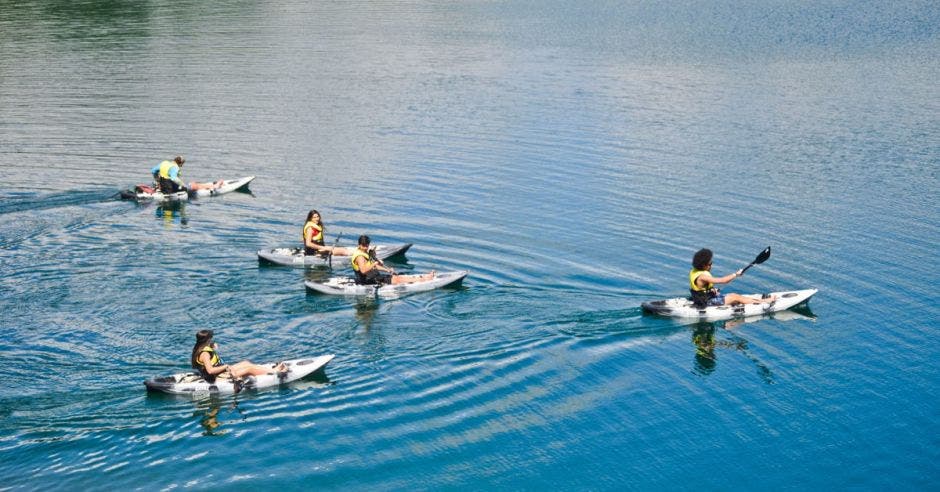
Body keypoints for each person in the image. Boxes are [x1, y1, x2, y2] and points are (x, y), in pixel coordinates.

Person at [190, 329, 287, 383]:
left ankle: (267, 370)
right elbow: (210, 370)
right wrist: (225, 366)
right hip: (218, 376)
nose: (212, 339)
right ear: (207, 339)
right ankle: (274, 371)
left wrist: (212, 345)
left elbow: (209, 352)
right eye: (211, 338)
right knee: (249, 369)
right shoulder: (205, 354)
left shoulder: (200, 347)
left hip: (222, 371)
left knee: (246, 362)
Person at [689, 248, 775, 308]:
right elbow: (723, 281)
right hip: (706, 302)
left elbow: (701, 289)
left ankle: (753, 301)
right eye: (710, 264)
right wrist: (736, 274)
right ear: (703, 265)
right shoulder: (703, 276)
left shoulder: (694, 271)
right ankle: (765, 302)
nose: (711, 265)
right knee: (735, 297)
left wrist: (711, 290)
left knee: (734, 297)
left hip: (702, 298)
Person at [351, 234, 434, 285]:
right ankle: (426, 279)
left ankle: (424, 277)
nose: (366, 247)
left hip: (373, 277)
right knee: (398, 279)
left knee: (396, 276)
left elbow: (372, 267)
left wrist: (387, 270)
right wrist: (375, 263)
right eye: (363, 245)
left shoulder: (364, 253)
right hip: (368, 281)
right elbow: (363, 270)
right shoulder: (360, 257)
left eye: (367, 245)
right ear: (359, 244)